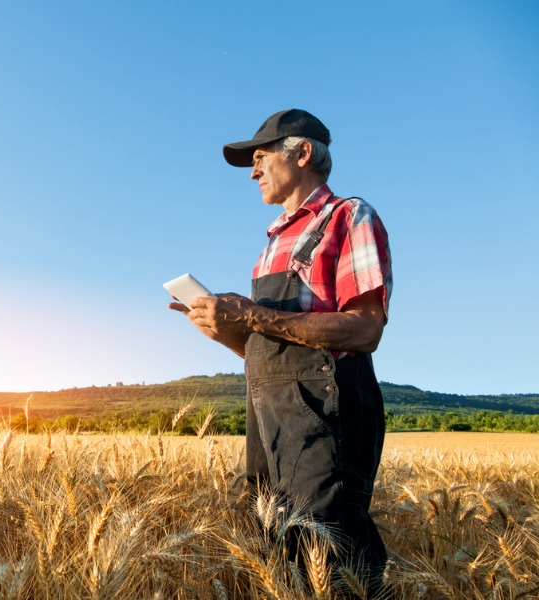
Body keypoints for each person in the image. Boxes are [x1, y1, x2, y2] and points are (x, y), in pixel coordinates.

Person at [170, 109, 393, 596]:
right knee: (280, 551)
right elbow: (271, 352)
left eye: (259, 157)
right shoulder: (271, 243)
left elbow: (364, 330)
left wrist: (251, 315)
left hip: (327, 415)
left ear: (303, 153)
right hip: (269, 420)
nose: (252, 172)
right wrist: (225, 330)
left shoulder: (348, 216)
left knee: (334, 556)